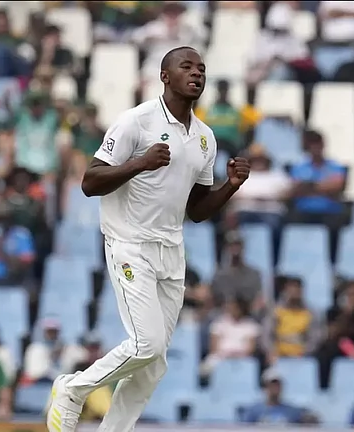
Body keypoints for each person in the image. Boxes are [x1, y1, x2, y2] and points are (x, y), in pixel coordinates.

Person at [46, 46, 250, 432]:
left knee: (154, 366)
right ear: (164, 76)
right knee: (147, 346)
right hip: (129, 244)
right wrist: (140, 162)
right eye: (186, 67)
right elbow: (90, 182)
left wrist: (231, 187)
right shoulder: (135, 122)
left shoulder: (205, 138)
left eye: (201, 69)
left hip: (171, 252)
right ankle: (73, 388)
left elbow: (198, 210)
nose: (197, 74)